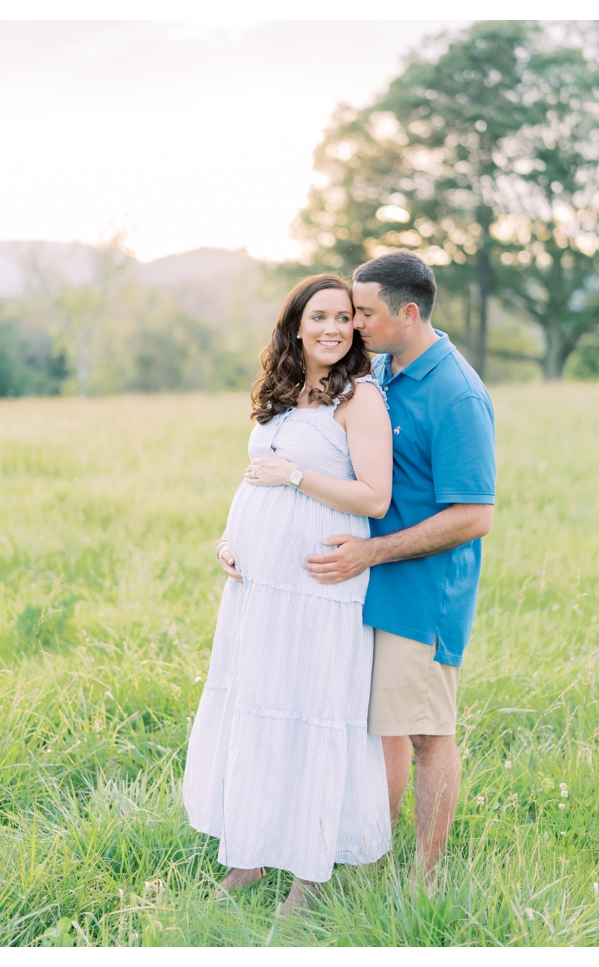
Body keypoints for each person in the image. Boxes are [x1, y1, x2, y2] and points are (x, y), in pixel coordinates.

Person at [183, 274, 394, 914]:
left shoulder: (359, 400)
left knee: (313, 713)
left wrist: (297, 476)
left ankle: (309, 874)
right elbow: (255, 479)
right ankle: (249, 855)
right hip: (261, 593)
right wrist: (229, 538)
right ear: (296, 325)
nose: (333, 328)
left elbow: (374, 497)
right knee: (259, 708)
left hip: (319, 588)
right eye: (320, 316)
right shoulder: (281, 394)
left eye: (343, 318)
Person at [303, 251, 495, 886]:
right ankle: (372, 858)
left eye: (366, 313)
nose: (354, 324)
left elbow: (473, 515)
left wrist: (375, 551)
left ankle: (427, 879)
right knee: (382, 729)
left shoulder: (456, 392)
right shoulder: (382, 369)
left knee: (426, 735)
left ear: (408, 314)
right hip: (370, 580)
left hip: (423, 593)